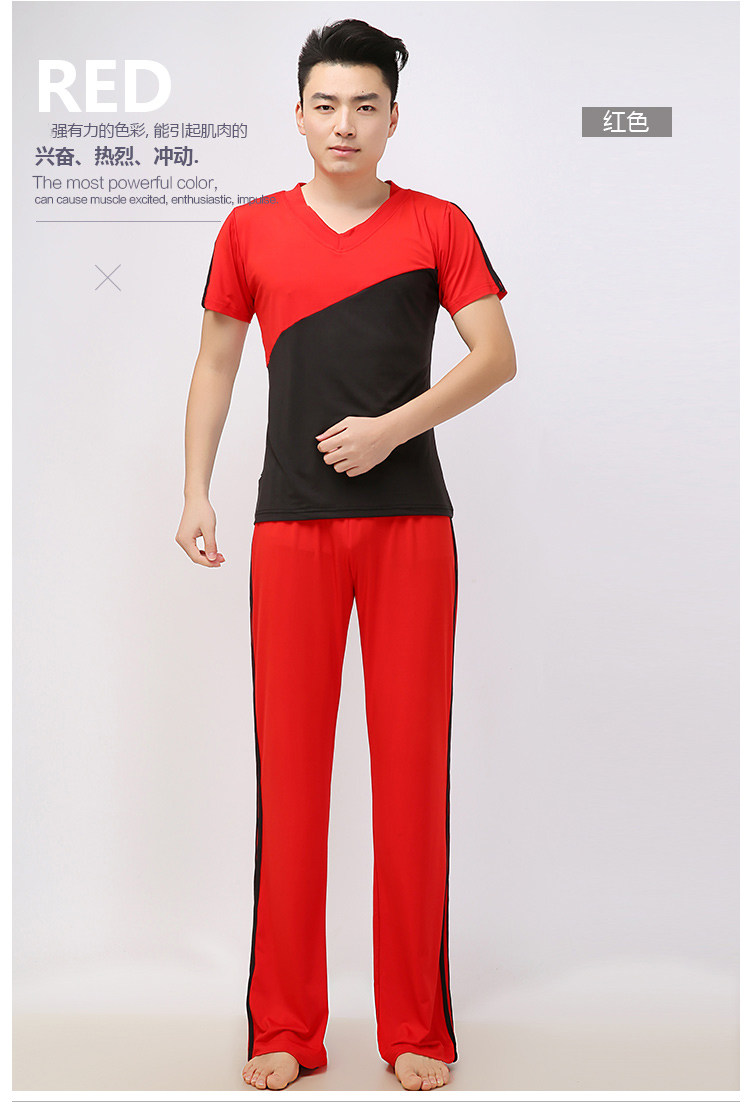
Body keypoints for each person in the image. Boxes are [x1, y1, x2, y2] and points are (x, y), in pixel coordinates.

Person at [176, 17, 516, 1093]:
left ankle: (417, 1025)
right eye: (326, 104)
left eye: (365, 105)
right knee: (293, 780)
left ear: (392, 119)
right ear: (298, 114)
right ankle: (286, 1024)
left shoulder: (437, 224)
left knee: (411, 776)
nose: (345, 123)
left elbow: (495, 356)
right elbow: (217, 364)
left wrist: (392, 429)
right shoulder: (249, 230)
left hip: (412, 527)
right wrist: (194, 489)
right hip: (289, 527)